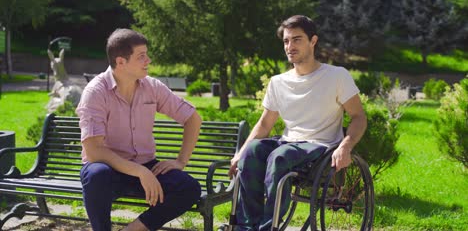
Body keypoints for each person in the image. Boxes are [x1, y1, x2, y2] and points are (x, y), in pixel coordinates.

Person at [228, 15, 367, 231]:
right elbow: (264, 125)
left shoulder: (336, 76)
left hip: (320, 147)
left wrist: (345, 147)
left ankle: (267, 227)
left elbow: (359, 117)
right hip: (288, 143)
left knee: (279, 157)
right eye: (286, 41)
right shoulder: (278, 82)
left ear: (313, 41)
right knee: (252, 152)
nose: (290, 46)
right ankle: (246, 227)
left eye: (297, 39)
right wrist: (240, 153)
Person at [76, 28, 202, 231]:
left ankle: (133, 229)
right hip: (109, 170)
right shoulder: (95, 92)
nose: (148, 60)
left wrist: (181, 161)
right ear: (120, 62)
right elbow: (94, 151)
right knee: (96, 175)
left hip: (146, 166)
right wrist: (140, 172)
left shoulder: (152, 87)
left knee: (189, 189)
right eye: (141, 56)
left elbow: (193, 119)